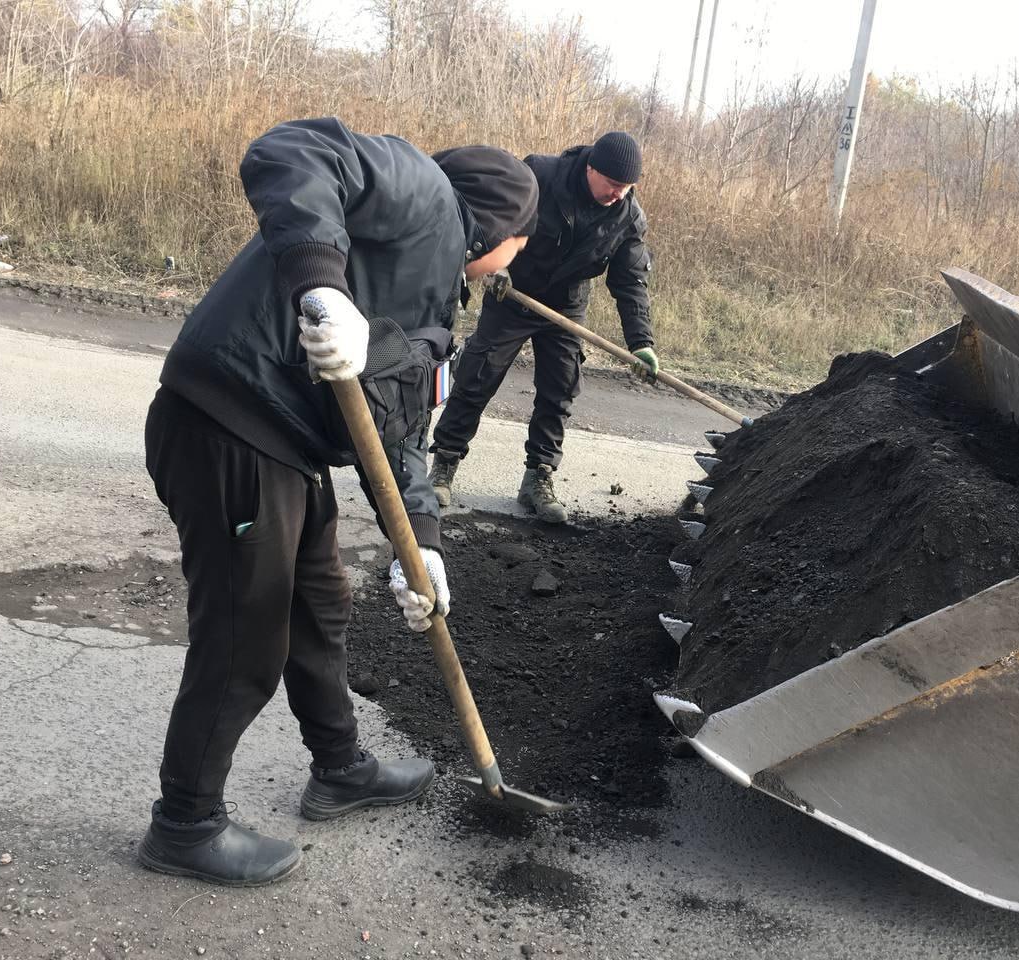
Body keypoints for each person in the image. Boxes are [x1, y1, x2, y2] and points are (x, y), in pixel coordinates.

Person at [136, 117, 538, 887]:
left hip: (286, 445)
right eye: (521, 242)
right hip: (229, 422)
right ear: (498, 225)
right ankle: (184, 823)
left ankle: (341, 767)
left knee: (320, 605)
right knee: (244, 635)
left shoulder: (433, 290)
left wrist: (419, 541)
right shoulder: (421, 192)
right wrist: (321, 284)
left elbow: (399, 435)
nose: (512, 264)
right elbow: (294, 151)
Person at [428, 131, 655, 523]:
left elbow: (631, 282)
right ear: (591, 168)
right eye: (612, 184)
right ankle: (445, 462)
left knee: (560, 387)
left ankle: (539, 476)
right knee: (478, 375)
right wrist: (496, 264)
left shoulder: (627, 218)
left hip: (566, 303)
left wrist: (641, 343)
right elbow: (495, 218)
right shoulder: (540, 175)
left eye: (626, 187)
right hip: (512, 292)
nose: (618, 193)